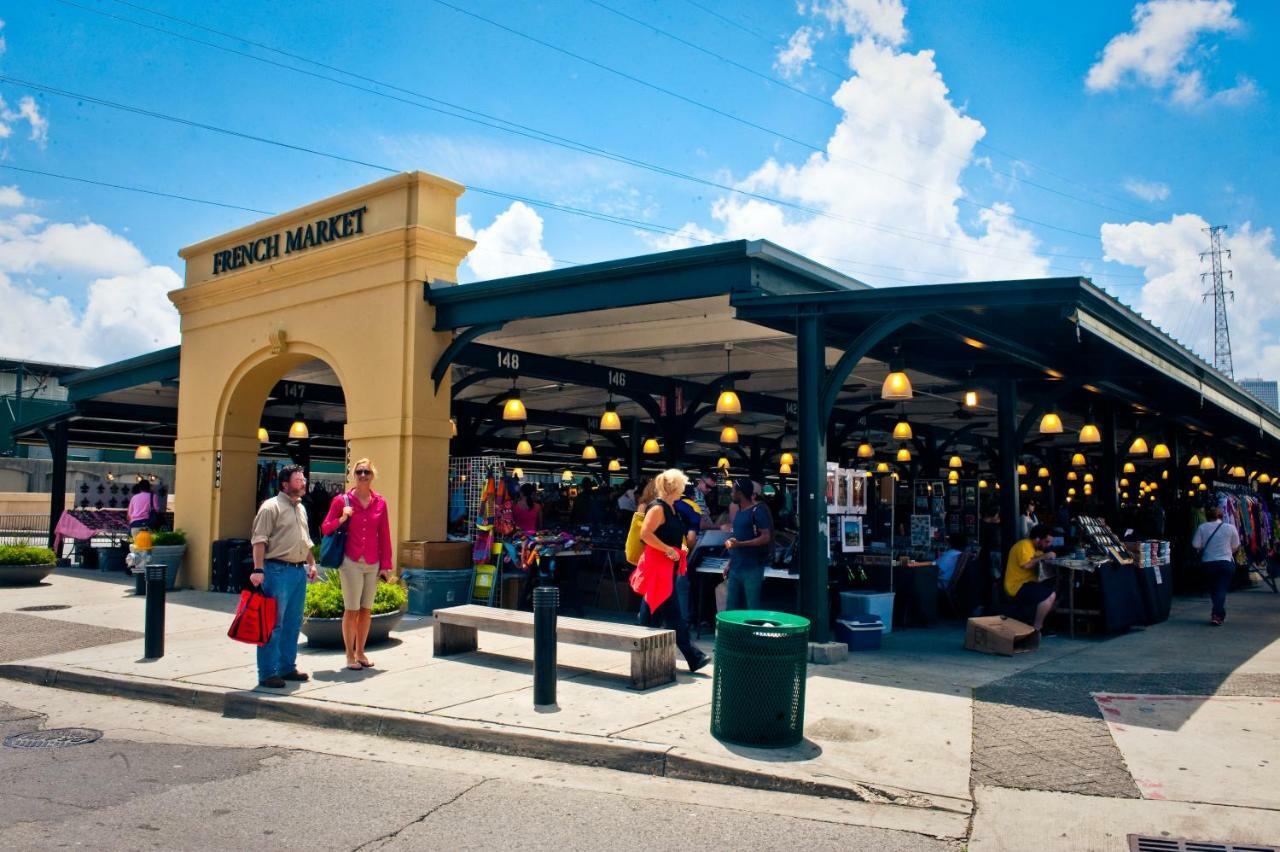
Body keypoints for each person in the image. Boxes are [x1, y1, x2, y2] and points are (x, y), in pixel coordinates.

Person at [250, 464, 318, 688]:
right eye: (299, 480)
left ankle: (287, 667)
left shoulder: (301, 508)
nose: (303, 483)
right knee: (273, 624)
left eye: (303, 479)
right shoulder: (271, 507)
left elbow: (304, 541)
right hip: (276, 570)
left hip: (298, 571)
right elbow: (259, 540)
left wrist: (311, 563)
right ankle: (267, 672)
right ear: (285, 484)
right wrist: (258, 570)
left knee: (293, 622)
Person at [320, 458, 393, 671]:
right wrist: (342, 518)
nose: (363, 476)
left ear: (372, 476)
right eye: (359, 472)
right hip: (351, 561)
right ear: (354, 475)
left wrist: (386, 565)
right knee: (351, 609)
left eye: (367, 472)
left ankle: (361, 652)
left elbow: (384, 535)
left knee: (366, 609)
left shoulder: (380, 502)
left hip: (372, 561)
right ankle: (349, 655)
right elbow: (325, 528)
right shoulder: (341, 501)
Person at [635, 469, 710, 672]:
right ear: (673, 487)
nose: (685, 488)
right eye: (682, 485)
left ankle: (642, 650)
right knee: (672, 612)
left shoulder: (671, 508)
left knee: (653, 611)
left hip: (665, 566)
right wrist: (668, 549)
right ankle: (692, 655)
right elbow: (645, 534)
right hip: (658, 566)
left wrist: (677, 550)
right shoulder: (658, 509)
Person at [724, 478, 774, 611]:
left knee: (752, 607)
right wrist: (729, 563)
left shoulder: (757, 511)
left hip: (752, 568)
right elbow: (738, 538)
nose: (731, 494)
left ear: (740, 493)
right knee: (731, 606)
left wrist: (741, 544)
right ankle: (732, 631)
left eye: (733, 491)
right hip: (735, 567)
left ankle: (752, 631)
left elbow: (766, 537)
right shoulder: (740, 512)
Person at [1192, 505, 1241, 626]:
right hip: (1225, 562)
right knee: (1221, 589)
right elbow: (1236, 546)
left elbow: (1195, 545)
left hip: (1208, 563)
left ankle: (1217, 614)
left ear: (1208, 516)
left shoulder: (1202, 527)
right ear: (1221, 516)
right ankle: (1218, 614)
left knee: (1214, 590)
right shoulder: (1230, 528)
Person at [1003, 523, 1058, 631]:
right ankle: (1037, 627)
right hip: (1017, 586)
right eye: (1046, 541)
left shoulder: (1036, 549)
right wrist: (1044, 556)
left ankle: (1040, 624)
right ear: (1037, 539)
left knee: (1054, 590)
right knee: (1050, 595)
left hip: (1029, 583)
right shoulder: (1024, 545)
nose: (1048, 545)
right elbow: (1026, 565)